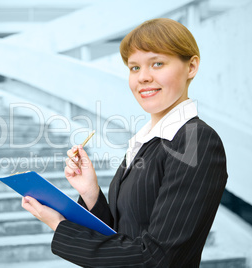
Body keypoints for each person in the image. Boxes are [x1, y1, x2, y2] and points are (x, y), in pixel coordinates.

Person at [22, 18, 228, 267]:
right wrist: (91, 194)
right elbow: (123, 236)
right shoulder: (146, 141)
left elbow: (156, 259)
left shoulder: (196, 140)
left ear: (191, 66)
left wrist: (59, 225)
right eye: (134, 68)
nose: (143, 77)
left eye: (157, 63)